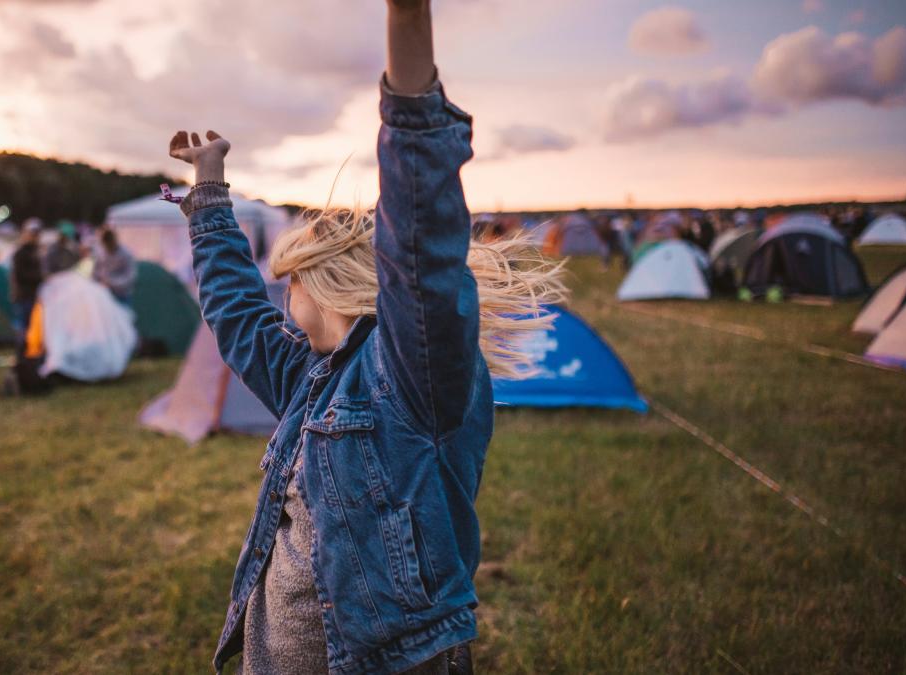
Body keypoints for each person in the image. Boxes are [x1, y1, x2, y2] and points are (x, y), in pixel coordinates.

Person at [167, 2, 565, 673]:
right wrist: (208, 190)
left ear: (316, 283)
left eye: (285, 281)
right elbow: (236, 315)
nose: (276, 295)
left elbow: (420, 237)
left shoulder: (411, 373)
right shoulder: (309, 377)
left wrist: (408, 48)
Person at [11, 221, 44, 334]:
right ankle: (22, 349)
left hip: (35, 295)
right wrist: (41, 277)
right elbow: (21, 275)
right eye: (32, 234)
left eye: (36, 234)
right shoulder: (21, 253)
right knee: (25, 326)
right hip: (25, 295)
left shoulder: (37, 252)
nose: (35, 237)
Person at [93, 228, 137, 303]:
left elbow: (130, 277)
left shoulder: (126, 254)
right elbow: (96, 272)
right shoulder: (101, 253)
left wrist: (111, 282)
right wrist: (99, 283)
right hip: (104, 294)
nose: (108, 246)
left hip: (121, 295)